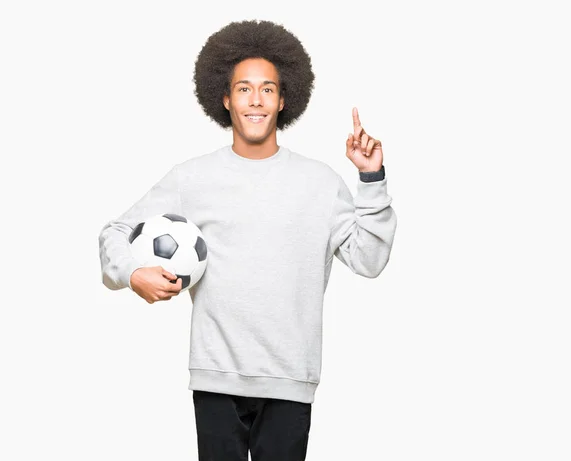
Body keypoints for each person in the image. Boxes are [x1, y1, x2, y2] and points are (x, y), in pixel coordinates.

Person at [98, 19, 397, 461]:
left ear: (283, 100)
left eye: (267, 89)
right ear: (224, 97)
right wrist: (132, 272)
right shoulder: (192, 177)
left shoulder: (320, 182)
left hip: (291, 379)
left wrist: (371, 179)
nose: (255, 100)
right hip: (216, 378)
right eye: (243, 89)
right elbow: (116, 233)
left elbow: (369, 261)